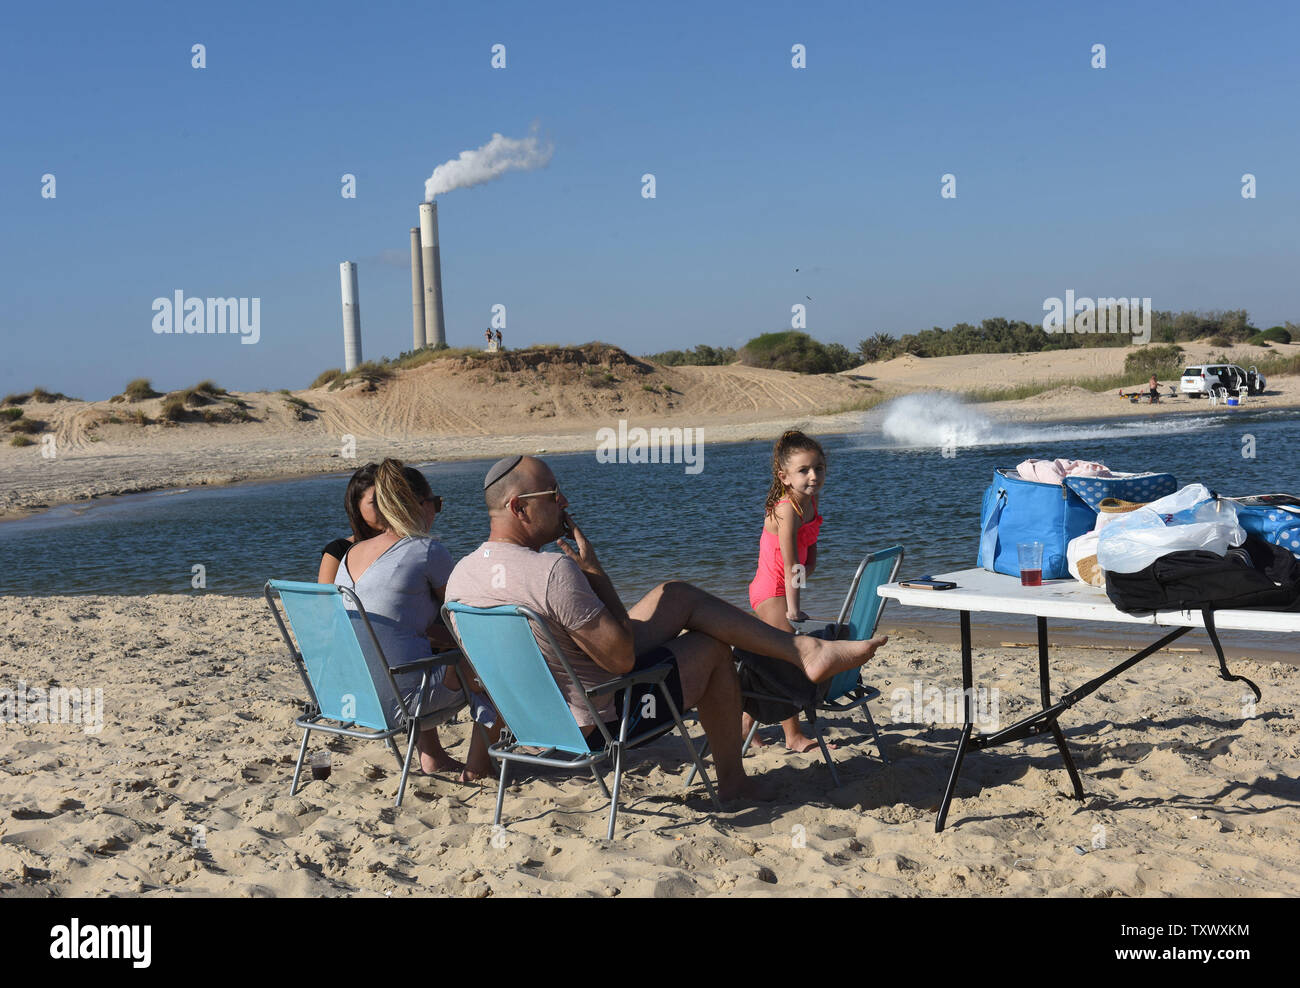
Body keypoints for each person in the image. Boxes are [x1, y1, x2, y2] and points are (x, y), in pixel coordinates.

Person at [443, 455, 886, 805]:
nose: (565, 503)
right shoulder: (551, 572)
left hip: (537, 723)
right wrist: (595, 573)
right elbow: (622, 659)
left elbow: (478, 673)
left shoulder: (461, 578)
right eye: (553, 494)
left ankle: (801, 650)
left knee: (677, 595)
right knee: (711, 647)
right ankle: (733, 780)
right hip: (602, 723)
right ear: (518, 507)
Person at [335, 458, 498, 781]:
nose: (436, 512)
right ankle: (479, 766)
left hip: (354, 697)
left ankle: (433, 757)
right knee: (496, 657)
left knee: (419, 650)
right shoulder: (425, 550)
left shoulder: (350, 554)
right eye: (435, 503)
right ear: (413, 505)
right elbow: (469, 622)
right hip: (404, 703)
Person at [743, 430, 832, 753]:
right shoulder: (785, 508)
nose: (813, 476)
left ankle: (743, 724)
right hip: (771, 590)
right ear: (784, 476)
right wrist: (793, 609)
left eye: (819, 468)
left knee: (771, 658)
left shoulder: (811, 500)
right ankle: (793, 735)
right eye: (804, 470)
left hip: (787, 585)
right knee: (788, 660)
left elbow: (811, 546)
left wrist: (811, 568)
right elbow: (791, 561)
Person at [317, 463, 382, 583]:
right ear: (356, 506)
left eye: (389, 500)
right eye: (375, 502)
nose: (384, 508)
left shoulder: (407, 545)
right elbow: (325, 599)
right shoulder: (338, 551)